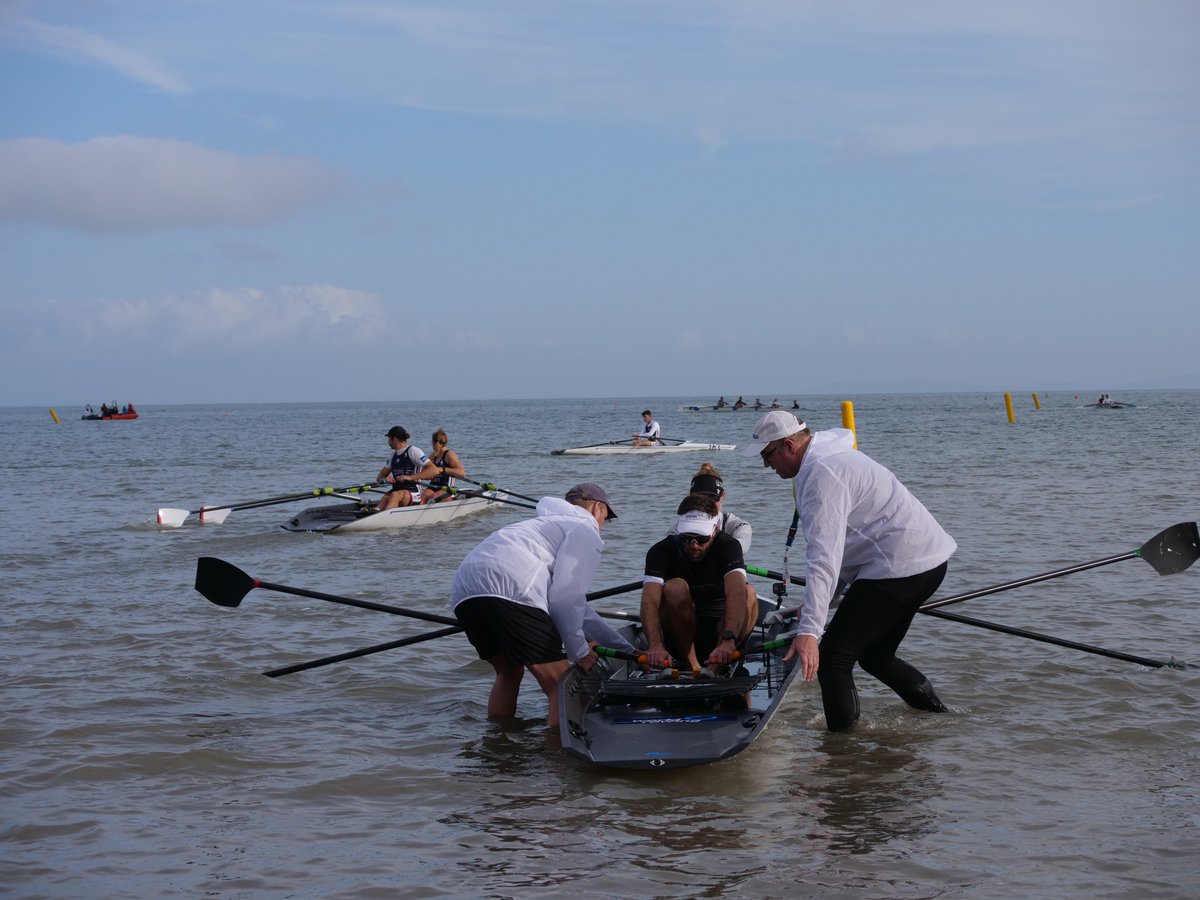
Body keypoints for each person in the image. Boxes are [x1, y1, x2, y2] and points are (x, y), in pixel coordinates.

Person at [744, 409, 956, 731]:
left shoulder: (822, 474)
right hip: (926, 560)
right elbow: (846, 547)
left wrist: (810, 632)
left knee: (831, 659)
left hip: (900, 565)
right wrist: (822, 601)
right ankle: (944, 720)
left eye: (768, 455)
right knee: (875, 656)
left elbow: (823, 557)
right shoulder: (827, 460)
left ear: (788, 445)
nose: (765, 465)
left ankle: (842, 759)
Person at [449, 483, 632, 727]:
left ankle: (497, 745)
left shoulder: (538, 527)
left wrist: (626, 649)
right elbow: (564, 601)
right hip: (512, 588)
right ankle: (555, 761)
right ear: (598, 508)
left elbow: (579, 611)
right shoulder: (584, 527)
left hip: (464, 591)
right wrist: (579, 650)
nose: (601, 527)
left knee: (508, 673)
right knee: (561, 686)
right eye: (605, 520)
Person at [641, 493, 759, 672]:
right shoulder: (660, 551)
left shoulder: (728, 547)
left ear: (714, 529)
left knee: (748, 592)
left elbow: (736, 594)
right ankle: (693, 667)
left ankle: (714, 668)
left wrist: (728, 640)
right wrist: (655, 645)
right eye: (687, 537)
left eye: (701, 538)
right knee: (674, 587)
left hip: (722, 632)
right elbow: (649, 601)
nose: (694, 545)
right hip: (680, 635)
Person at [669, 462, 751, 556]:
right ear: (691, 497)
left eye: (712, 497)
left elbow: (741, 546)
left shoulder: (737, 525)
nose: (707, 503)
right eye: (701, 497)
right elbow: (668, 549)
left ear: (723, 495)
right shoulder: (678, 528)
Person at [376, 426, 442, 510]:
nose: (388, 442)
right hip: (396, 492)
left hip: (413, 492)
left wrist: (410, 477)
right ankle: (374, 515)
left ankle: (385, 518)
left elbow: (434, 470)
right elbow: (379, 477)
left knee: (395, 495)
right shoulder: (392, 456)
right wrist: (384, 480)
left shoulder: (413, 451)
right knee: (385, 498)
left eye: (389, 439)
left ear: (394, 438)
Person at [420, 428, 467, 504]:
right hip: (433, 486)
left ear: (433, 442)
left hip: (446, 488)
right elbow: (423, 472)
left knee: (434, 497)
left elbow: (462, 473)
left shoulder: (449, 454)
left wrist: (443, 469)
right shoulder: (433, 455)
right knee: (422, 499)